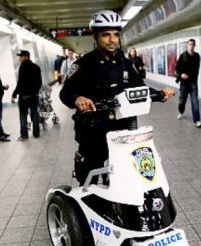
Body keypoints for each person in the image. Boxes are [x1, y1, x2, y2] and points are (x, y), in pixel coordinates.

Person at [60, 10, 174, 185]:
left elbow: (140, 88)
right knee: (89, 179)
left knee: (122, 177)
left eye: (115, 34)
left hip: (122, 129)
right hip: (93, 132)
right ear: (95, 37)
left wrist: (160, 94)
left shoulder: (126, 64)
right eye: (106, 35)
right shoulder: (82, 65)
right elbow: (65, 93)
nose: (113, 39)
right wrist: (77, 98)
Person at [11, 50, 42, 140]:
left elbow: (20, 83)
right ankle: (36, 133)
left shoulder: (23, 66)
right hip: (34, 95)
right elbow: (39, 83)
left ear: (25, 57)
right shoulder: (36, 67)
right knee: (34, 113)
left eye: (21, 56)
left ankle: (24, 135)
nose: (20, 58)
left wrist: (14, 94)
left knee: (23, 115)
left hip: (24, 96)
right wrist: (35, 91)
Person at [176, 39, 201, 127]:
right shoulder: (182, 56)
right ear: (187, 45)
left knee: (195, 102)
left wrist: (190, 77)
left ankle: (197, 120)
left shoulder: (197, 56)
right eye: (189, 44)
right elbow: (177, 67)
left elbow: (196, 70)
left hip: (193, 82)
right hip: (184, 83)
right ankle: (181, 111)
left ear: (194, 46)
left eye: (192, 45)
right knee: (182, 100)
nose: (191, 46)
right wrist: (181, 74)